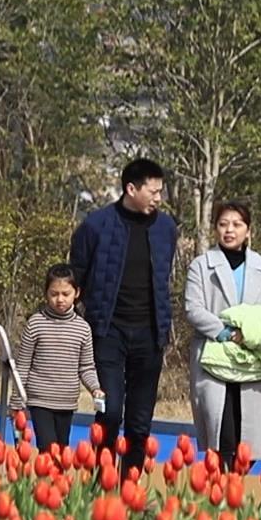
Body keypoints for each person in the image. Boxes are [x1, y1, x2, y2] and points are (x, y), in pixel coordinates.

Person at [70, 157, 179, 476]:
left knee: (140, 420)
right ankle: (100, 485)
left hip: (150, 335)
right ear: (131, 189)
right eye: (153, 191)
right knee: (111, 411)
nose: (159, 198)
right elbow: (76, 276)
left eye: (161, 191)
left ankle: (129, 489)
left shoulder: (166, 229)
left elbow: (163, 277)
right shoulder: (95, 226)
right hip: (107, 334)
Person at [184, 201, 261, 469]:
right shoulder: (201, 265)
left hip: (251, 360)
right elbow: (193, 308)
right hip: (214, 359)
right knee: (221, 435)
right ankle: (220, 498)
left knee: (248, 443)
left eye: (237, 224)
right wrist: (226, 332)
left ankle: (229, 493)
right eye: (223, 224)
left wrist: (249, 332)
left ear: (248, 231)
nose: (229, 230)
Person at [9, 265, 104, 454]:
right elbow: (22, 366)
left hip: (66, 402)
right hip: (39, 400)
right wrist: (16, 402)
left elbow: (86, 367)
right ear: (46, 294)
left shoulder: (83, 329)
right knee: (47, 449)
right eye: (54, 294)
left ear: (76, 293)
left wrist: (95, 388)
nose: (60, 299)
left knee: (61, 452)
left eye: (65, 294)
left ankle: (58, 484)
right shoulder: (35, 324)